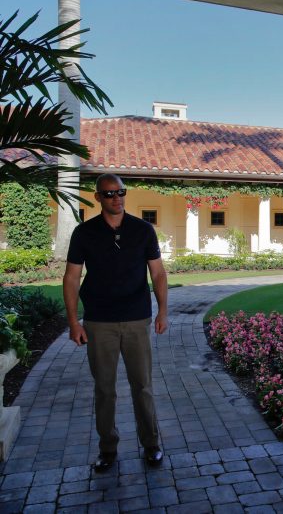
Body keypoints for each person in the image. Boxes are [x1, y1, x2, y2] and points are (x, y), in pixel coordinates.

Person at [63, 173, 168, 472]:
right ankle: (107, 448)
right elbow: (71, 278)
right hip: (99, 321)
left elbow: (158, 273)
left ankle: (151, 445)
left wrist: (162, 311)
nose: (116, 198)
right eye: (108, 194)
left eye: (120, 192)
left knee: (143, 386)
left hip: (137, 319)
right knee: (105, 389)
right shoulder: (84, 233)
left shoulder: (142, 230)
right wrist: (74, 322)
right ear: (98, 198)